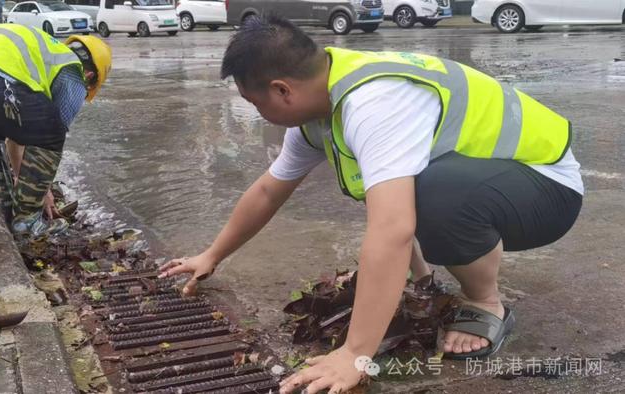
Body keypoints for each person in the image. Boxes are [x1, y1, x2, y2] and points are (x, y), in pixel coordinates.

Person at [158, 15, 583, 394]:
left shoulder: (373, 102)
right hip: (492, 184)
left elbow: (393, 230)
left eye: (255, 104)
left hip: (547, 191)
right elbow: (270, 190)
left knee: (432, 195)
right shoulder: (323, 105)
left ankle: (485, 302)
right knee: (415, 188)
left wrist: (356, 354)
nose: (259, 113)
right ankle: (437, 277)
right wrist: (212, 255)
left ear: (282, 89)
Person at [0, 24, 111, 238]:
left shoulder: (46, 51)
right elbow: (44, 138)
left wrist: (20, 177)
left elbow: (18, 134)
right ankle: (27, 223)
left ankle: (3, 208)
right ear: (89, 75)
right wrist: (42, 193)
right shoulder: (72, 70)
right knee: (52, 135)